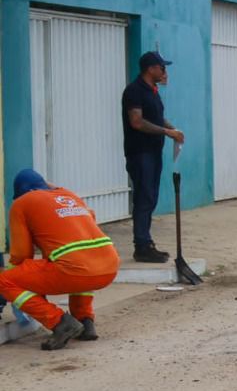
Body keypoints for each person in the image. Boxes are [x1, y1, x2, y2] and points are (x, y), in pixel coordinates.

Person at [1, 169, 120, 350]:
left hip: (76, 270)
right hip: (109, 267)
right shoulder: (69, 195)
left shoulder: (22, 203)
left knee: (4, 281)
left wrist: (17, 283)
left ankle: (60, 322)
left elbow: (21, 254)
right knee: (77, 261)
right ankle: (85, 321)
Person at [121, 51, 184, 263]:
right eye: (162, 67)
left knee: (151, 196)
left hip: (153, 151)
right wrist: (167, 133)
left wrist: (172, 128)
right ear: (151, 68)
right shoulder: (134, 91)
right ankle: (141, 245)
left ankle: (146, 242)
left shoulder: (152, 91)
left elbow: (156, 116)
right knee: (144, 197)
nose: (164, 72)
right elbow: (137, 122)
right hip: (140, 153)